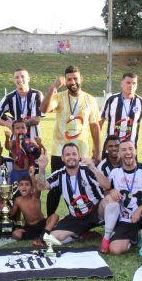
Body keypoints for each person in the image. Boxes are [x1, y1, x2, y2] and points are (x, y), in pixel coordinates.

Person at [41, 66, 101, 217]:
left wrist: (98, 151)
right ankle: (50, 220)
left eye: (75, 78)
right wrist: (53, 87)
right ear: (65, 81)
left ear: (81, 79)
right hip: (59, 151)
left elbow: (95, 127)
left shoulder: (90, 100)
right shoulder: (59, 97)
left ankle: (79, 220)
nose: (72, 82)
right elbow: (43, 109)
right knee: (55, 188)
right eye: (69, 79)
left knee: (80, 187)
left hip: (81, 152)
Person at [100, 140, 142, 261]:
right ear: (119, 153)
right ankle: (134, 237)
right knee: (115, 250)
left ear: (135, 151)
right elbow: (107, 191)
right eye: (123, 150)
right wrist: (111, 191)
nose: (128, 152)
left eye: (130, 149)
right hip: (126, 218)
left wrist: (140, 209)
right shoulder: (115, 173)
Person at [36, 143, 111, 243]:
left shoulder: (87, 169)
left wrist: (93, 168)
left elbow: (107, 186)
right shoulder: (60, 174)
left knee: (110, 201)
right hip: (76, 217)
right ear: (62, 158)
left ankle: (110, 236)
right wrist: (42, 168)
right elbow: (41, 186)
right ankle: (80, 234)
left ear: (79, 156)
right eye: (67, 155)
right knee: (52, 238)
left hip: (96, 212)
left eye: (74, 154)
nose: (71, 157)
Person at [100, 73, 142, 160]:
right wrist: (96, 145)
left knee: (129, 173)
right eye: (128, 83)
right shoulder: (111, 100)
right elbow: (100, 122)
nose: (131, 86)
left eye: (134, 83)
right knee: (107, 173)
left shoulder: (141, 103)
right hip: (110, 149)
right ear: (121, 84)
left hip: (130, 150)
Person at [0, 68, 43, 140]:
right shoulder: (9, 97)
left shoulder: (36, 94)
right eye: (17, 77)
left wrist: (17, 124)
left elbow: (36, 119)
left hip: (34, 141)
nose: (20, 79)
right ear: (14, 80)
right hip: (15, 141)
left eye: (22, 76)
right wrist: (8, 124)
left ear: (28, 79)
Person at [11, 172, 50, 245]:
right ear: (18, 187)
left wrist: (32, 176)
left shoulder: (35, 196)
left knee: (55, 216)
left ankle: (44, 233)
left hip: (41, 224)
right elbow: (12, 213)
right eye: (21, 185)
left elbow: (38, 188)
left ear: (32, 188)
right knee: (15, 234)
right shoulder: (18, 200)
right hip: (29, 227)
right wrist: (4, 207)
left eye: (27, 185)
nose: (24, 187)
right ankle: (40, 235)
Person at [4, 119, 42, 184]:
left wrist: (39, 144)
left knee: (28, 191)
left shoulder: (30, 142)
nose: (20, 130)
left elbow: (38, 152)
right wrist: (7, 138)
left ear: (26, 130)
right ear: (13, 131)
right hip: (16, 172)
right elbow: (7, 147)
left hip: (28, 172)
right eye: (17, 128)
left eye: (23, 128)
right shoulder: (13, 142)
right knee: (15, 192)